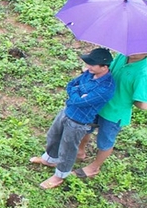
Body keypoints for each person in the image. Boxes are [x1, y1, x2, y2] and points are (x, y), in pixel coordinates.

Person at [31, 46, 116, 190]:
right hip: (67, 111)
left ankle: (60, 176)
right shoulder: (89, 74)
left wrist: (76, 95)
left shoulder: (107, 87)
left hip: (79, 121)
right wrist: (78, 93)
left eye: (92, 64)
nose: (88, 66)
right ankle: (50, 159)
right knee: (53, 135)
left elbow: (82, 102)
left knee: (68, 148)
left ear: (104, 67)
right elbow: (71, 85)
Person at [79, 52, 147, 177]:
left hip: (114, 113)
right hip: (99, 102)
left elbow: (143, 105)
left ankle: (94, 167)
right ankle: (80, 151)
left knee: (105, 141)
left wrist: (129, 97)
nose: (134, 51)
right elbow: (108, 69)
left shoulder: (143, 73)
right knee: (85, 128)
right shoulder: (123, 56)